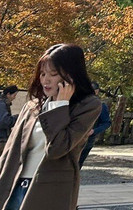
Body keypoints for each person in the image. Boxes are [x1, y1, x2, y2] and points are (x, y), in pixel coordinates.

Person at [0, 43, 101, 210]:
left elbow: (57, 148)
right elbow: (11, 149)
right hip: (14, 184)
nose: (45, 80)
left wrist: (59, 106)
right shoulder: (33, 106)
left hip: (50, 189)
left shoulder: (88, 106)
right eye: (42, 73)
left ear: (71, 76)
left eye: (53, 74)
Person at [77, 83, 112, 167]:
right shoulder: (77, 103)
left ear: (96, 91)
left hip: (88, 139)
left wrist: (94, 131)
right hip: (73, 137)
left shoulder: (101, 106)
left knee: (78, 164)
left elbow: (106, 123)